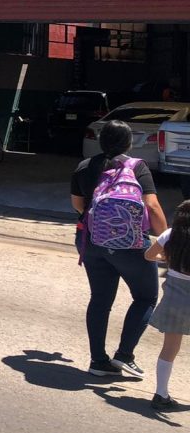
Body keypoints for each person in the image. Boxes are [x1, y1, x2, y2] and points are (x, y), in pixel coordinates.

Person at [71, 119, 166, 378]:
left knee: (100, 299)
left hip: (92, 242)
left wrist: (102, 223)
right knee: (145, 297)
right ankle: (124, 356)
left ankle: (97, 361)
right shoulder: (136, 167)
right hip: (132, 246)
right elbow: (153, 206)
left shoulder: (84, 166)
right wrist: (164, 239)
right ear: (128, 142)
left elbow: (79, 205)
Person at [145, 199, 190, 411]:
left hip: (173, 299)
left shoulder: (170, 235)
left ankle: (160, 394)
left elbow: (149, 255)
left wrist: (168, 257)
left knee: (169, 348)